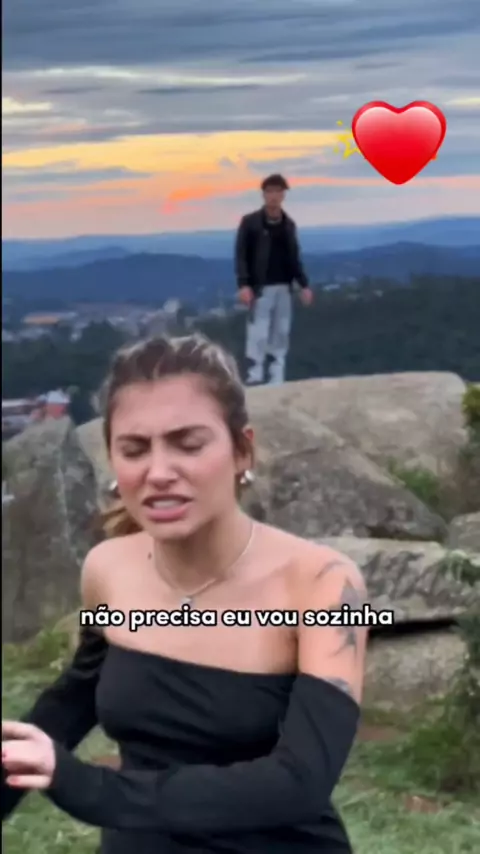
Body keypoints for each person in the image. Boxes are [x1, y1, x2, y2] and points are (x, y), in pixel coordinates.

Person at [2, 333, 367, 854]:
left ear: (242, 449)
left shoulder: (321, 583)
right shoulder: (110, 568)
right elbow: (70, 704)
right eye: (134, 450)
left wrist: (86, 786)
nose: (158, 473)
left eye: (188, 445)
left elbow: (300, 782)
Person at [235, 174, 314, 386]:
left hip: (284, 287)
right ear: (263, 194)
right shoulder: (250, 223)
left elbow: (294, 258)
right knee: (258, 332)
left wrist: (304, 285)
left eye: (278, 191)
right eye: (270, 191)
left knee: (280, 332)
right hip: (260, 287)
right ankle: (254, 374)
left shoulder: (288, 224)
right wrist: (244, 284)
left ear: (283, 195)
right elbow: (241, 256)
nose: (274, 196)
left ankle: (276, 376)